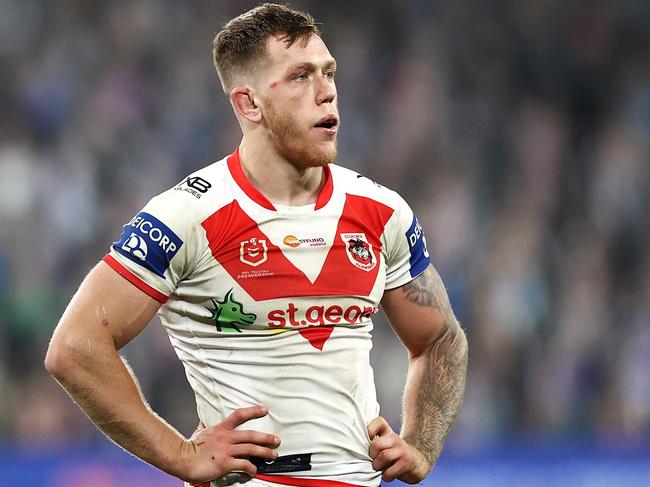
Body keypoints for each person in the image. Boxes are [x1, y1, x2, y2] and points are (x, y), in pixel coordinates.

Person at [44, 3, 468, 487]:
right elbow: (75, 347)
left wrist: (421, 444)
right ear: (248, 104)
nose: (326, 92)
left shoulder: (381, 211)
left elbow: (440, 338)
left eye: (328, 73)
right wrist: (180, 455)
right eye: (300, 77)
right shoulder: (188, 216)